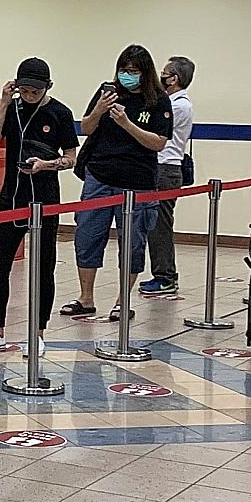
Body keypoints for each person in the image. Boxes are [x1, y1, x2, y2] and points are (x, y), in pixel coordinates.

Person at [0, 58, 78, 358]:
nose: (29, 96)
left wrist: (47, 164)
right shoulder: (13, 109)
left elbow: (71, 158)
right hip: (12, 197)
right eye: (24, 90)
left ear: (48, 87)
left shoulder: (60, 113)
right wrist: (3, 103)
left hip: (45, 199)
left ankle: (38, 334)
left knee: (44, 268)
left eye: (35, 92)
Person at [61, 45, 172, 321]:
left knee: (132, 242)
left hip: (137, 182)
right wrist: (99, 109)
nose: (127, 75)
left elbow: (158, 142)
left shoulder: (158, 100)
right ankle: (86, 297)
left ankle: (123, 300)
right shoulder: (107, 92)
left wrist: (127, 124)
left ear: (145, 73)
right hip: (99, 176)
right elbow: (86, 128)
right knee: (87, 236)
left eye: (133, 71)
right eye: (124, 70)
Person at [141, 56, 195, 296]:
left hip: (166, 169)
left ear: (174, 79)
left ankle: (165, 277)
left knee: (160, 226)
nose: (160, 77)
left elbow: (153, 129)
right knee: (153, 225)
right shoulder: (169, 102)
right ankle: (161, 273)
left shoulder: (178, 106)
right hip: (159, 167)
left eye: (164, 73)